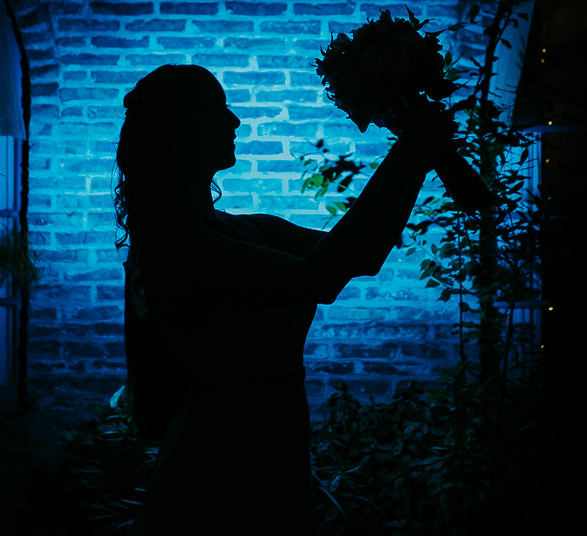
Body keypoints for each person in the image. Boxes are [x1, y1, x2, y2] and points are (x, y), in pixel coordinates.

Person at [116, 64, 446, 535]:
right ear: (179, 130)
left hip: (271, 441)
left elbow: (361, 255)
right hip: (222, 454)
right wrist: (410, 153)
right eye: (216, 109)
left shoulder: (244, 228)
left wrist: (413, 153)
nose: (234, 121)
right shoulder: (173, 246)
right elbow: (322, 276)